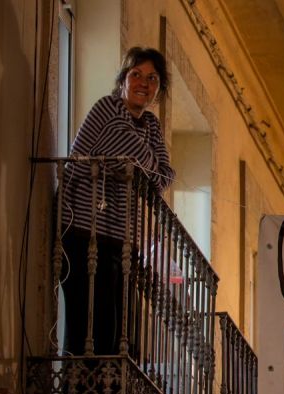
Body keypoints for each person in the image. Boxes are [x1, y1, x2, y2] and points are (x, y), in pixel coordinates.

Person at [60, 46, 174, 358]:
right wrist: (135, 162)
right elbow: (126, 150)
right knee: (86, 328)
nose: (143, 83)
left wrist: (134, 163)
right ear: (122, 80)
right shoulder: (106, 108)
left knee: (114, 332)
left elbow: (164, 177)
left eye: (152, 78)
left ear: (158, 89)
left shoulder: (151, 125)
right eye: (136, 74)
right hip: (84, 230)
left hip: (122, 241)